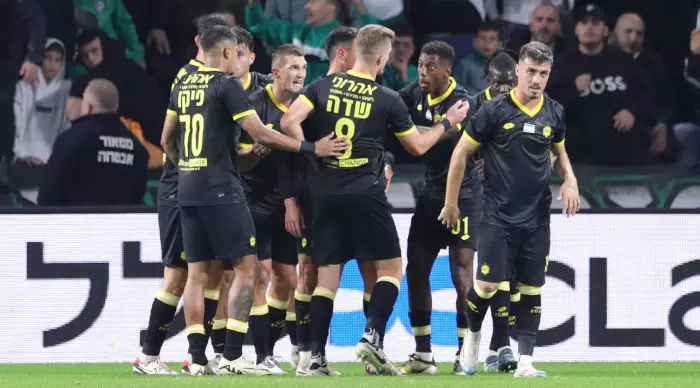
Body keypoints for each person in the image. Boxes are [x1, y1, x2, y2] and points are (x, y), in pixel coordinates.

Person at [280, 24, 469, 376]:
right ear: (381, 58)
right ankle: (371, 335)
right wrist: (448, 122)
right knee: (392, 269)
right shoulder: (387, 98)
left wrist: (313, 149)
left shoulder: (320, 86)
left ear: (354, 51)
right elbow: (418, 145)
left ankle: (316, 360)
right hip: (365, 193)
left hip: (323, 193)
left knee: (326, 279)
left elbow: (288, 119)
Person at [160, 25, 347, 376]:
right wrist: (310, 147)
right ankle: (233, 355)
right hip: (222, 190)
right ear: (229, 53)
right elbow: (259, 132)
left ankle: (197, 359)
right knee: (248, 269)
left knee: (199, 275)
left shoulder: (183, 83)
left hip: (187, 189)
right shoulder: (226, 84)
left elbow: (167, 139)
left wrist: (186, 166)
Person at [438, 41, 580, 378]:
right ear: (518, 70)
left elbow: (559, 152)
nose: (536, 79)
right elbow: (460, 154)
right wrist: (451, 202)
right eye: (531, 71)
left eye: (543, 74)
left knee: (531, 288)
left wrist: (570, 179)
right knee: (486, 286)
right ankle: (472, 339)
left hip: (536, 218)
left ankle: (526, 362)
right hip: (495, 216)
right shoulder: (494, 111)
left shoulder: (555, 112)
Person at [284, 25, 390, 377]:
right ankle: (306, 351)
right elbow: (290, 149)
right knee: (310, 274)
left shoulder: (326, 93)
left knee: (366, 273)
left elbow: (373, 138)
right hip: (317, 195)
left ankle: (368, 353)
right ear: (343, 54)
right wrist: (292, 197)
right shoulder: (316, 92)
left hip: (331, 194)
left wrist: (384, 164)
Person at [133, 13, 231, 376]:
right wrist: (186, 169)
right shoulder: (191, 78)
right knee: (178, 274)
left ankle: (201, 355)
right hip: (180, 189)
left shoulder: (200, 78)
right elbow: (166, 138)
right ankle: (148, 355)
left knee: (210, 271)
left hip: (197, 187)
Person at [395, 41, 482, 376]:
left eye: (431, 66)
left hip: (463, 196)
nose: (423, 71)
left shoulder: (463, 103)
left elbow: (431, 142)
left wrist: (418, 132)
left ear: (447, 70)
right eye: (420, 64)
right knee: (415, 270)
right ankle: (423, 354)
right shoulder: (411, 94)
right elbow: (393, 120)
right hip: (430, 193)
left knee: (462, 275)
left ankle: (465, 353)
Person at [235, 44, 308, 374]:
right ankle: (261, 355)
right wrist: (254, 151)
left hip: (288, 202)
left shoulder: (305, 104)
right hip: (253, 200)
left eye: (303, 68)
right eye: (293, 67)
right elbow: (237, 154)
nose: (300, 73)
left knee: (288, 279)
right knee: (259, 274)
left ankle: (285, 350)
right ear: (276, 72)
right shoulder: (253, 103)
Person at [38, 78, 147, 206]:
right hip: (121, 224)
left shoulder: (72, 138)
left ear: (88, 107)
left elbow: (49, 194)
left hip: (80, 223)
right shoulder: (136, 146)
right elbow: (138, 197)